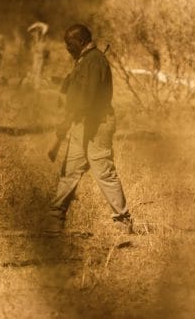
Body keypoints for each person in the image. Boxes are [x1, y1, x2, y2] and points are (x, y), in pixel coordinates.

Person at [47, 23, 133, 234]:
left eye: (70, 44)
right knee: (69, 171)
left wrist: (65, 123)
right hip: (81, 125)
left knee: (103, 171)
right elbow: (73, 91)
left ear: (81, 41)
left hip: (97, 125)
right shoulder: (84, 61)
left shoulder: (94, 61)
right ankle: (55, 219)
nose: (67, 48)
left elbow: (85, 99)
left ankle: (123, 221)